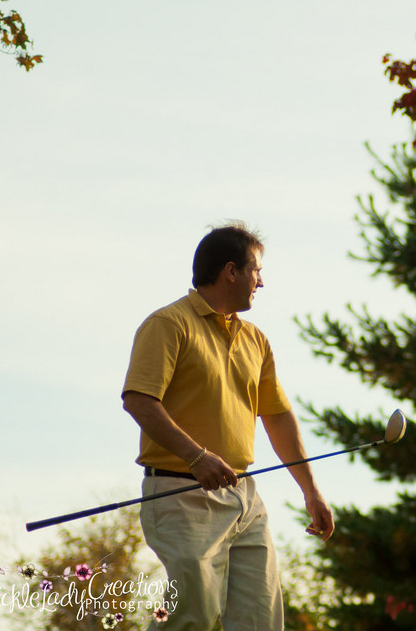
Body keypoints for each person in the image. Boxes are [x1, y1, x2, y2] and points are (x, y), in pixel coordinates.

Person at [121, 222, 334, 630]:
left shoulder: (256, 339)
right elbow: (139, 401)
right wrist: (195, 456)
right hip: (179, 494)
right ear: (231, 271)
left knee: (261, 621)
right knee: (192, 619)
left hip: (244, 499)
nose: (262, 282)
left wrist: (311, 491)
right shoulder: (168, 324)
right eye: (256, 270)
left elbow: (277, 416)